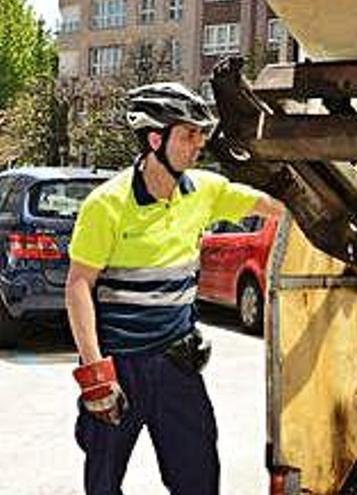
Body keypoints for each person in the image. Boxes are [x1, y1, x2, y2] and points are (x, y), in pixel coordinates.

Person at [65, 82, 286, 495]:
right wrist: (94, 372)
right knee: (103, 481)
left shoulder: (203, 190)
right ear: (155, 139)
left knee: (199, 476)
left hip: (176, 365)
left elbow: (267, 204)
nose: (198, 144)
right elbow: (79, 285)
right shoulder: (106, 204)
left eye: (201, 134)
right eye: (188, 134)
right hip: (120, 367)